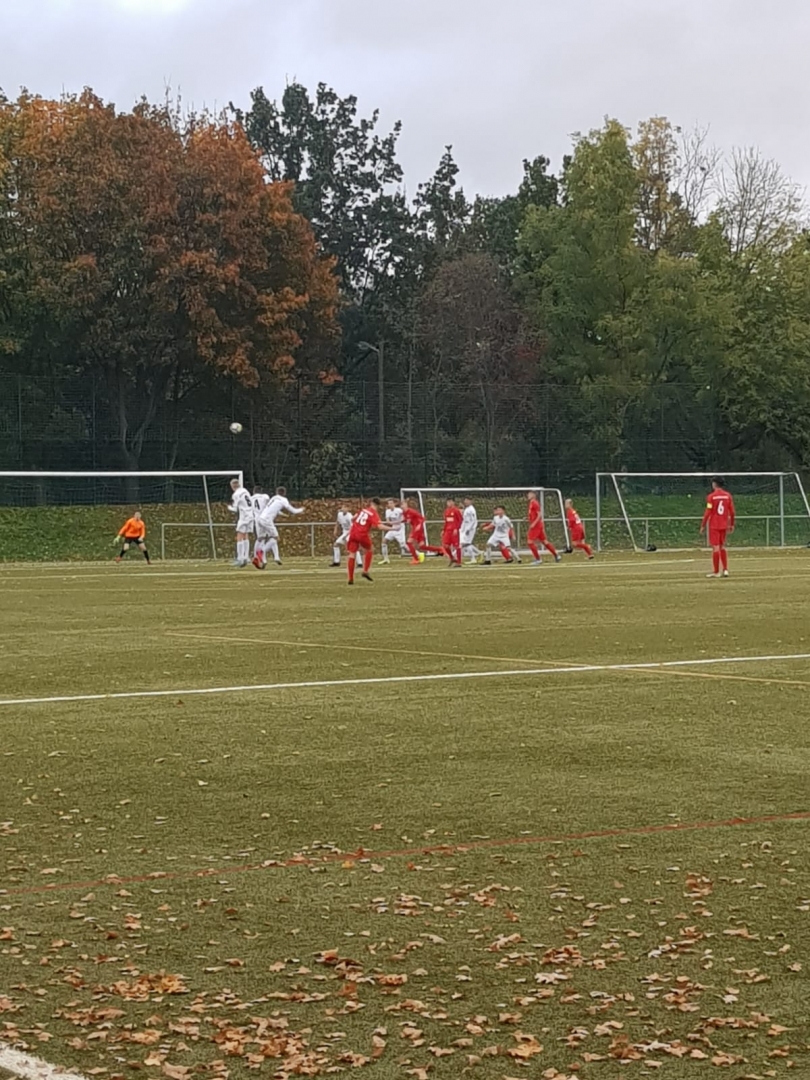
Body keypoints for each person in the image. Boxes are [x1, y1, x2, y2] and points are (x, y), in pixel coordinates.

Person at [253, 486, 305, 568]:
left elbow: (271, 508)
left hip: (260, 519)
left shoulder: (273, 498)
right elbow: (293, 511)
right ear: (284, 493)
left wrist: (282, 514)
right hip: (267, 520)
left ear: (277, 492)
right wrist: (301, 510)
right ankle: (262, 551)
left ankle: (266, 558)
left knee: (263, 538)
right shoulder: (283, 500)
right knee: (276, 538)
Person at [700, 476, 735, 578]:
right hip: (724, 524)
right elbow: (732, 512)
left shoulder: (711, 497)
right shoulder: (728, 496)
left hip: (714, 525)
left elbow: (708, 512)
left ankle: (716, 572)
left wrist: (703, 525)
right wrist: (732, 524)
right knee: (722, 546)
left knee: (715, 548)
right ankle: (725, 569)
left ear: (714, 484)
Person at [347, 498, 386, 584]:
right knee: (370, 549)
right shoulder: (373, 513)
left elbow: (353, 519)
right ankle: (365, 570)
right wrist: (393, 528)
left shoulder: (363, 510)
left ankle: (350, 578)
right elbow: (379, 526)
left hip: (353, 532)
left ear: (371, 503)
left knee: (352, 554)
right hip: (362, 534)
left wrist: (358, 525)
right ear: (378, 506)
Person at [526, 490, 561, 565]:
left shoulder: (534, 503)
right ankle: (556, 555)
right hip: (539, 525)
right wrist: (528, 518)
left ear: (534, 495)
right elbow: (534, 514)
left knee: (530, 542)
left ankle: (538, 559)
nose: (528, 495)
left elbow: (539, 515)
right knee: (544, 541)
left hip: (536, 526)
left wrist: (534, 523)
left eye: (530, 494)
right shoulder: (531, 503)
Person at [229, 477, 254, 567]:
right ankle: (246, 557)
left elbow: (235, 508)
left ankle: (240, 558)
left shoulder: (236, 494)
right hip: (251, 515)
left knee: (239, 535)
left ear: (232, 486)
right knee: (245, 535)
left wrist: (229, 508)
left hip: (244, 516)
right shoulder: (245, 491)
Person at [380, 499, 408, 564]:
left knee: (403, 546)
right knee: (384, 541)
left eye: (391, 503)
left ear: (394, 504)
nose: (390, 505)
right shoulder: (387, 511)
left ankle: (418, 554)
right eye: (389, 503)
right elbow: (388, 521)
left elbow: (403, 519)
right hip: (393, 528)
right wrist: (392, 523)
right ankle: (386, 559)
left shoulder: (399, 510)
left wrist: (395, 522)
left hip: (400, 529)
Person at [331, 503, 357, 567]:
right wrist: (335, 529)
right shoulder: (339, 514)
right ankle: (336, 562)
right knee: (336, 545)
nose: (344, 509)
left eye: (345, 508)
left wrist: (346, 535)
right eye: (343, 507)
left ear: (348, 509)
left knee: (350, 546)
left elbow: (352, 527)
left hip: (351, 532)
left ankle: (359, 563)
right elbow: (337, 522)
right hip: (345, 532)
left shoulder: (349, 516)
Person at [401, 500, 427, 565]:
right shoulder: (404, 513)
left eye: (403, 504)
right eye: (401, 505)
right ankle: (417, 556)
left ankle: (416, 558)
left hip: (417, 528)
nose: (402, 506)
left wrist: (419, 525)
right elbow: (406, 520)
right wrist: (398, 522)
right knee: (416, 544)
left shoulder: (412, 511)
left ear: (406, 505)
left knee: (409, 542)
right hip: (414, 528)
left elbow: (422, 518)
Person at [459, 497, 482, 564]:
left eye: (467, 500)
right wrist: (462, 528)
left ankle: (474, 558)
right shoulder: (467, 509)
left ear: (471, 501)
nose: (466, 502)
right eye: (465, 500)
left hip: (469, 529)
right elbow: (465, 520)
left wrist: (468, 529)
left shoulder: (471, 510)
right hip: (465, 528)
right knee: (464, 543)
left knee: (466, 543)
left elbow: (473, 520)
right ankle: (479, 553)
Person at [441, 497, 463, 567]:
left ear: (453, 502)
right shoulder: (446, 511)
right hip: (447, 531)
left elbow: (460, 520)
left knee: (457, 546)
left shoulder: (456, 510)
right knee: (445, 545)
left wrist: (456, 528)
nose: (449, 503)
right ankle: (452, 558)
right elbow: (446, 521)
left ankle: (459, 562)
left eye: (450, 502)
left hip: (454, 531)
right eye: (448, 502)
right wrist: (443, 530)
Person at [252, 486, 271, 564]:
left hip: (257, 519)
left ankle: (257, 556)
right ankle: (260, 557)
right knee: (265, 538)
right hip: (264, 519)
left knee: (260, 538)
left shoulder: (251, 498)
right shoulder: (265, 496)